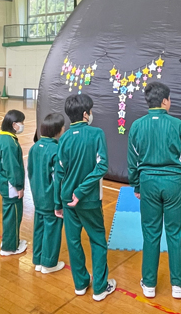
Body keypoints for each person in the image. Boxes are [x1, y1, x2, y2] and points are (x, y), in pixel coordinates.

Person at [127, 82, 181, 299]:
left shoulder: (137, 126)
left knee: (150, 233)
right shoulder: (178, 126)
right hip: (175, 184)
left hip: (148, 183)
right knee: (177, 233)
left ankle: (149, 284)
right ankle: (177, 285)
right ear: (165, 101)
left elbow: (132, 162)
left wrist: (137, 185)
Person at [55, 94, 116, 301]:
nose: (91, 114)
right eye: (90, 111)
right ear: (84, 114)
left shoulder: (63, 138)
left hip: (66, 200)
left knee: (73, 242)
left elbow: (59, 173)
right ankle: (100, 288)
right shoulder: (96, 133)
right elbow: (102, 166)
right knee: (98, 241)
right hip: (88, 200)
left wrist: (58, 202)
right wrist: (81, 192)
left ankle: (80, 284)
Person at [27, 113, 65, 274]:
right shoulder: (56, 150)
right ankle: (49, 263)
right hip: (51, 198)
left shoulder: (34, 147)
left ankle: (38, 259)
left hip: (38, 196)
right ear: (58, 130)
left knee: (39, 227)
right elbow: (58, 179)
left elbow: (30, 172)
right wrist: (59, 202)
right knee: (52, 229)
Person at [0, 109, 27, 256]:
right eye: (21, 123)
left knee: (10, 214)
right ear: (14, 124)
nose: (22, 125)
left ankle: (11, 240)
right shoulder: (9, 143)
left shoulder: (5, 138)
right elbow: (12, 168)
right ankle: (9, 247)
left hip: (7, 184)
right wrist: (19, 186)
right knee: (12, 215)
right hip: (11, 186)